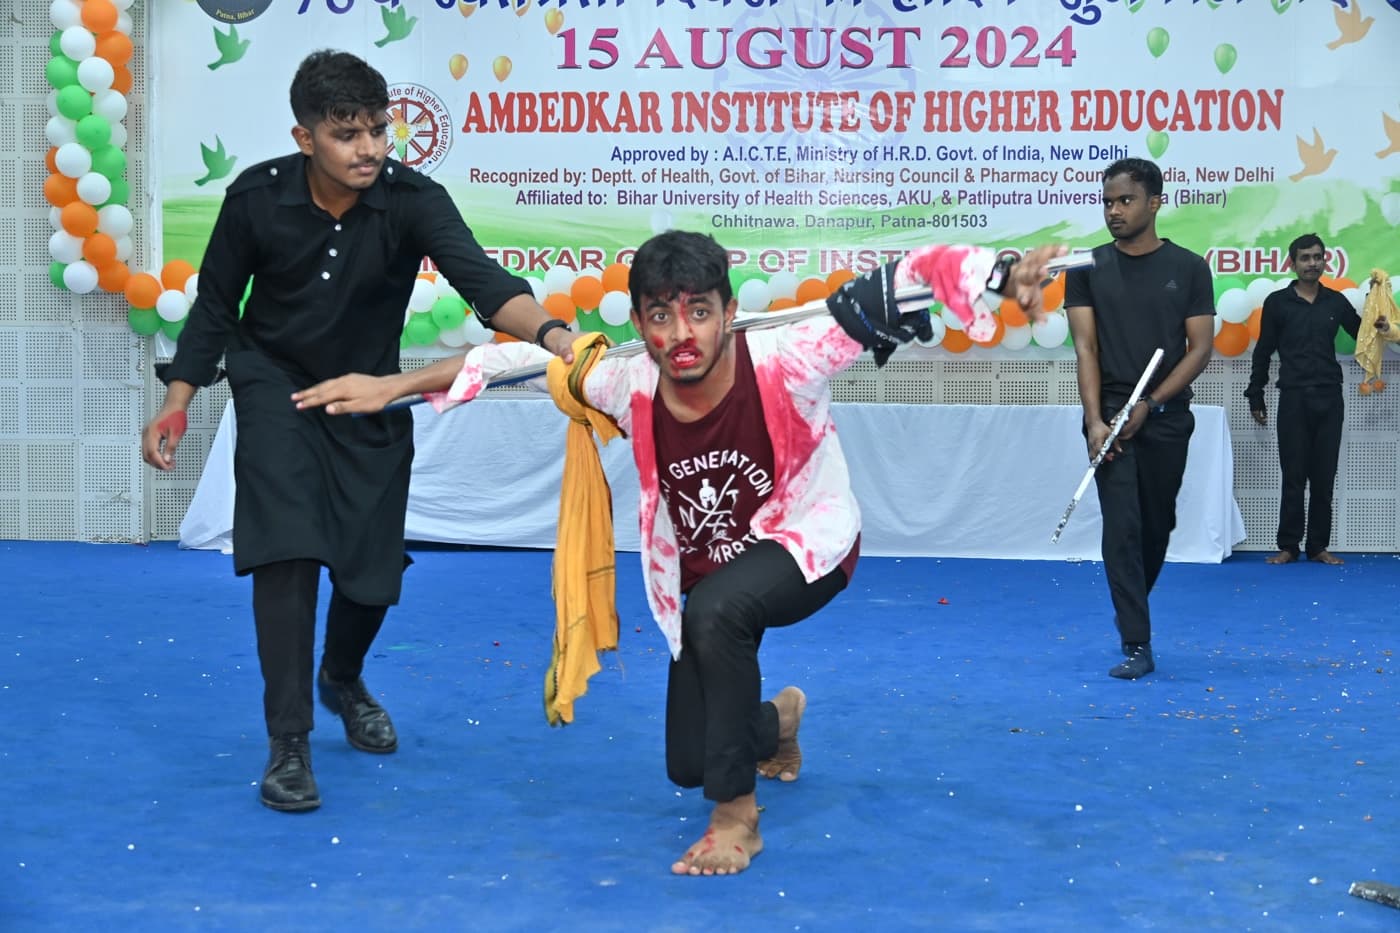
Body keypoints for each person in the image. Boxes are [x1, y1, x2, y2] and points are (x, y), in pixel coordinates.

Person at [300, 230, 1066, 872]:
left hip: (807, 545)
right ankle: (776, 724)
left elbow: (907, 277)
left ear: (729, 311)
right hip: (699, 580)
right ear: (639, 319)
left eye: (700, 312)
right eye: (660, 316)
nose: (680, 335)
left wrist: (1003, 275)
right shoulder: (625, 379)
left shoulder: (789, 354)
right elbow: (514, 361)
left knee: (720, 609)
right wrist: (390, 385)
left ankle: (737, 818)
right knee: (687, 760)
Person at [140, 50, 577, 813]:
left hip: (373, 388)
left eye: (378, 128)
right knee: (290, 548)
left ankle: (341, 676)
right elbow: (214, 308)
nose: (370, 148)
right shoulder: (255, 199)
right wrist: (178, 399)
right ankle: (289, 744)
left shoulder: (412, 199)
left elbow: (484, 283)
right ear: (305, 137)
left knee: (372, 572)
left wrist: (556, 337)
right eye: (348, 133)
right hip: (275, 383)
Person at [1064, 157, 1215, 681]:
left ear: (1154, 202)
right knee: (1121, 531)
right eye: (1107, 202)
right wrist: (1094, 421)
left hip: (1166, 417)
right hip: (1110, 417)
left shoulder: (1190, 268)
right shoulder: (1087, 267)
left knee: (1156, 528)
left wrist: (1151, 404)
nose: (1114, 211)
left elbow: (1200, 350)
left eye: (1125, 200)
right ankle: (1137, 641)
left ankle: (1133, 603)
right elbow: (1086, 347)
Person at [1244, 234, 1360, 566]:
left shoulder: (1336, 303)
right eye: (1305, 258)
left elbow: (1362, 335)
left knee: (1324, 478)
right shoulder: (1277, 303)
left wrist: (1381, 325)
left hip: (1329, 399)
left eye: (1317, 257)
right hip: (1293, 399)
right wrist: (1256, 396)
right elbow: (1263, 352)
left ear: (1326, 261)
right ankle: (1289, 546)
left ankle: (1318, 547)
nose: (1312, 263)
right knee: (1293, 476)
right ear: (1292, 263)